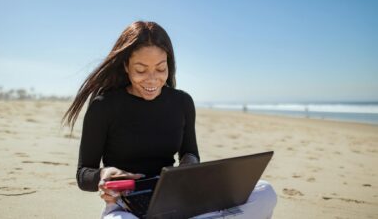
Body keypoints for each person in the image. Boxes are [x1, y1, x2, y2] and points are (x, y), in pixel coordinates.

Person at [63, 21, 277, 219]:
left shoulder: (182, 102)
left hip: (177, 198)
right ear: (126, 66)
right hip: (124, 204)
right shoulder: (104, 106)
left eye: (160, 68)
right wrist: (104, 174)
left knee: (265, 192)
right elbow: (84, 174)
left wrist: (190, 167)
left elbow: (190, 153)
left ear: (169, 64)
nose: (152, 79)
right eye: (140, 70)